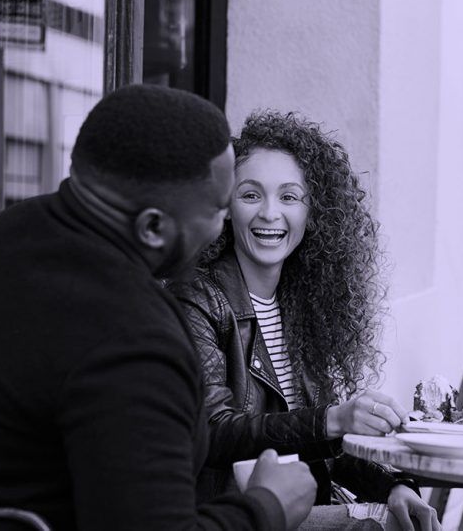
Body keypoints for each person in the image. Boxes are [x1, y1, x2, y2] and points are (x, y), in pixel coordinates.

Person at [0, 86, 317, 531]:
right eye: (220, 208)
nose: (225, 223)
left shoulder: (7, 235)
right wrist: (267, 506)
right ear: (153, 228)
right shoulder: (131, 334)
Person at [169, 111, 441, 531]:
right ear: (226, 207)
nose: (270, 213)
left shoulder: (301, 305)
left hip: (298, 507)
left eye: (289, 197)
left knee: (402, 517)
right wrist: (334, 417)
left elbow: (319, 443)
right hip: (230, 515)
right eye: (251, 195)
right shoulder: (198, 297)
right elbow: (214, 431)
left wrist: (392, 486)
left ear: (314, 213)